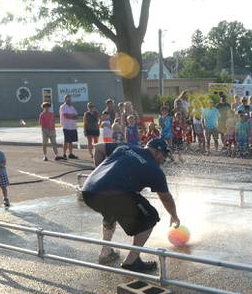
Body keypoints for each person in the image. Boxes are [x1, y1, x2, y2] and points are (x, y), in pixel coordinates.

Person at [85, 138, 180, 272]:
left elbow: (98, 148)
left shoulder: (126, 147)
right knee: (150, 217)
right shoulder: (154, 169)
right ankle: (132, 261)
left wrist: (99, 173)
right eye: (164, 156)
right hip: (114, 195)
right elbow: (165, 197)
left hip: (89, 192)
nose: (164, 161)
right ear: (157, 152)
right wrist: (174, 215)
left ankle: (105, 252)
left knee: (110, 212)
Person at [59, 95, 79, 159]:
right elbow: (65, 116)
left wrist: (71, 116)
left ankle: (70, 154)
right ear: (65, 100)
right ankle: (64, 154)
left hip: (73, 127)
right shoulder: (63, 107)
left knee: (71, 141)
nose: (69, 100)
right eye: (67, 99)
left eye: (70, 99)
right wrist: (72, 116)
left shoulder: (72, 107)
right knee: (66, 141)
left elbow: (76, 116)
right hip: (66, 126)